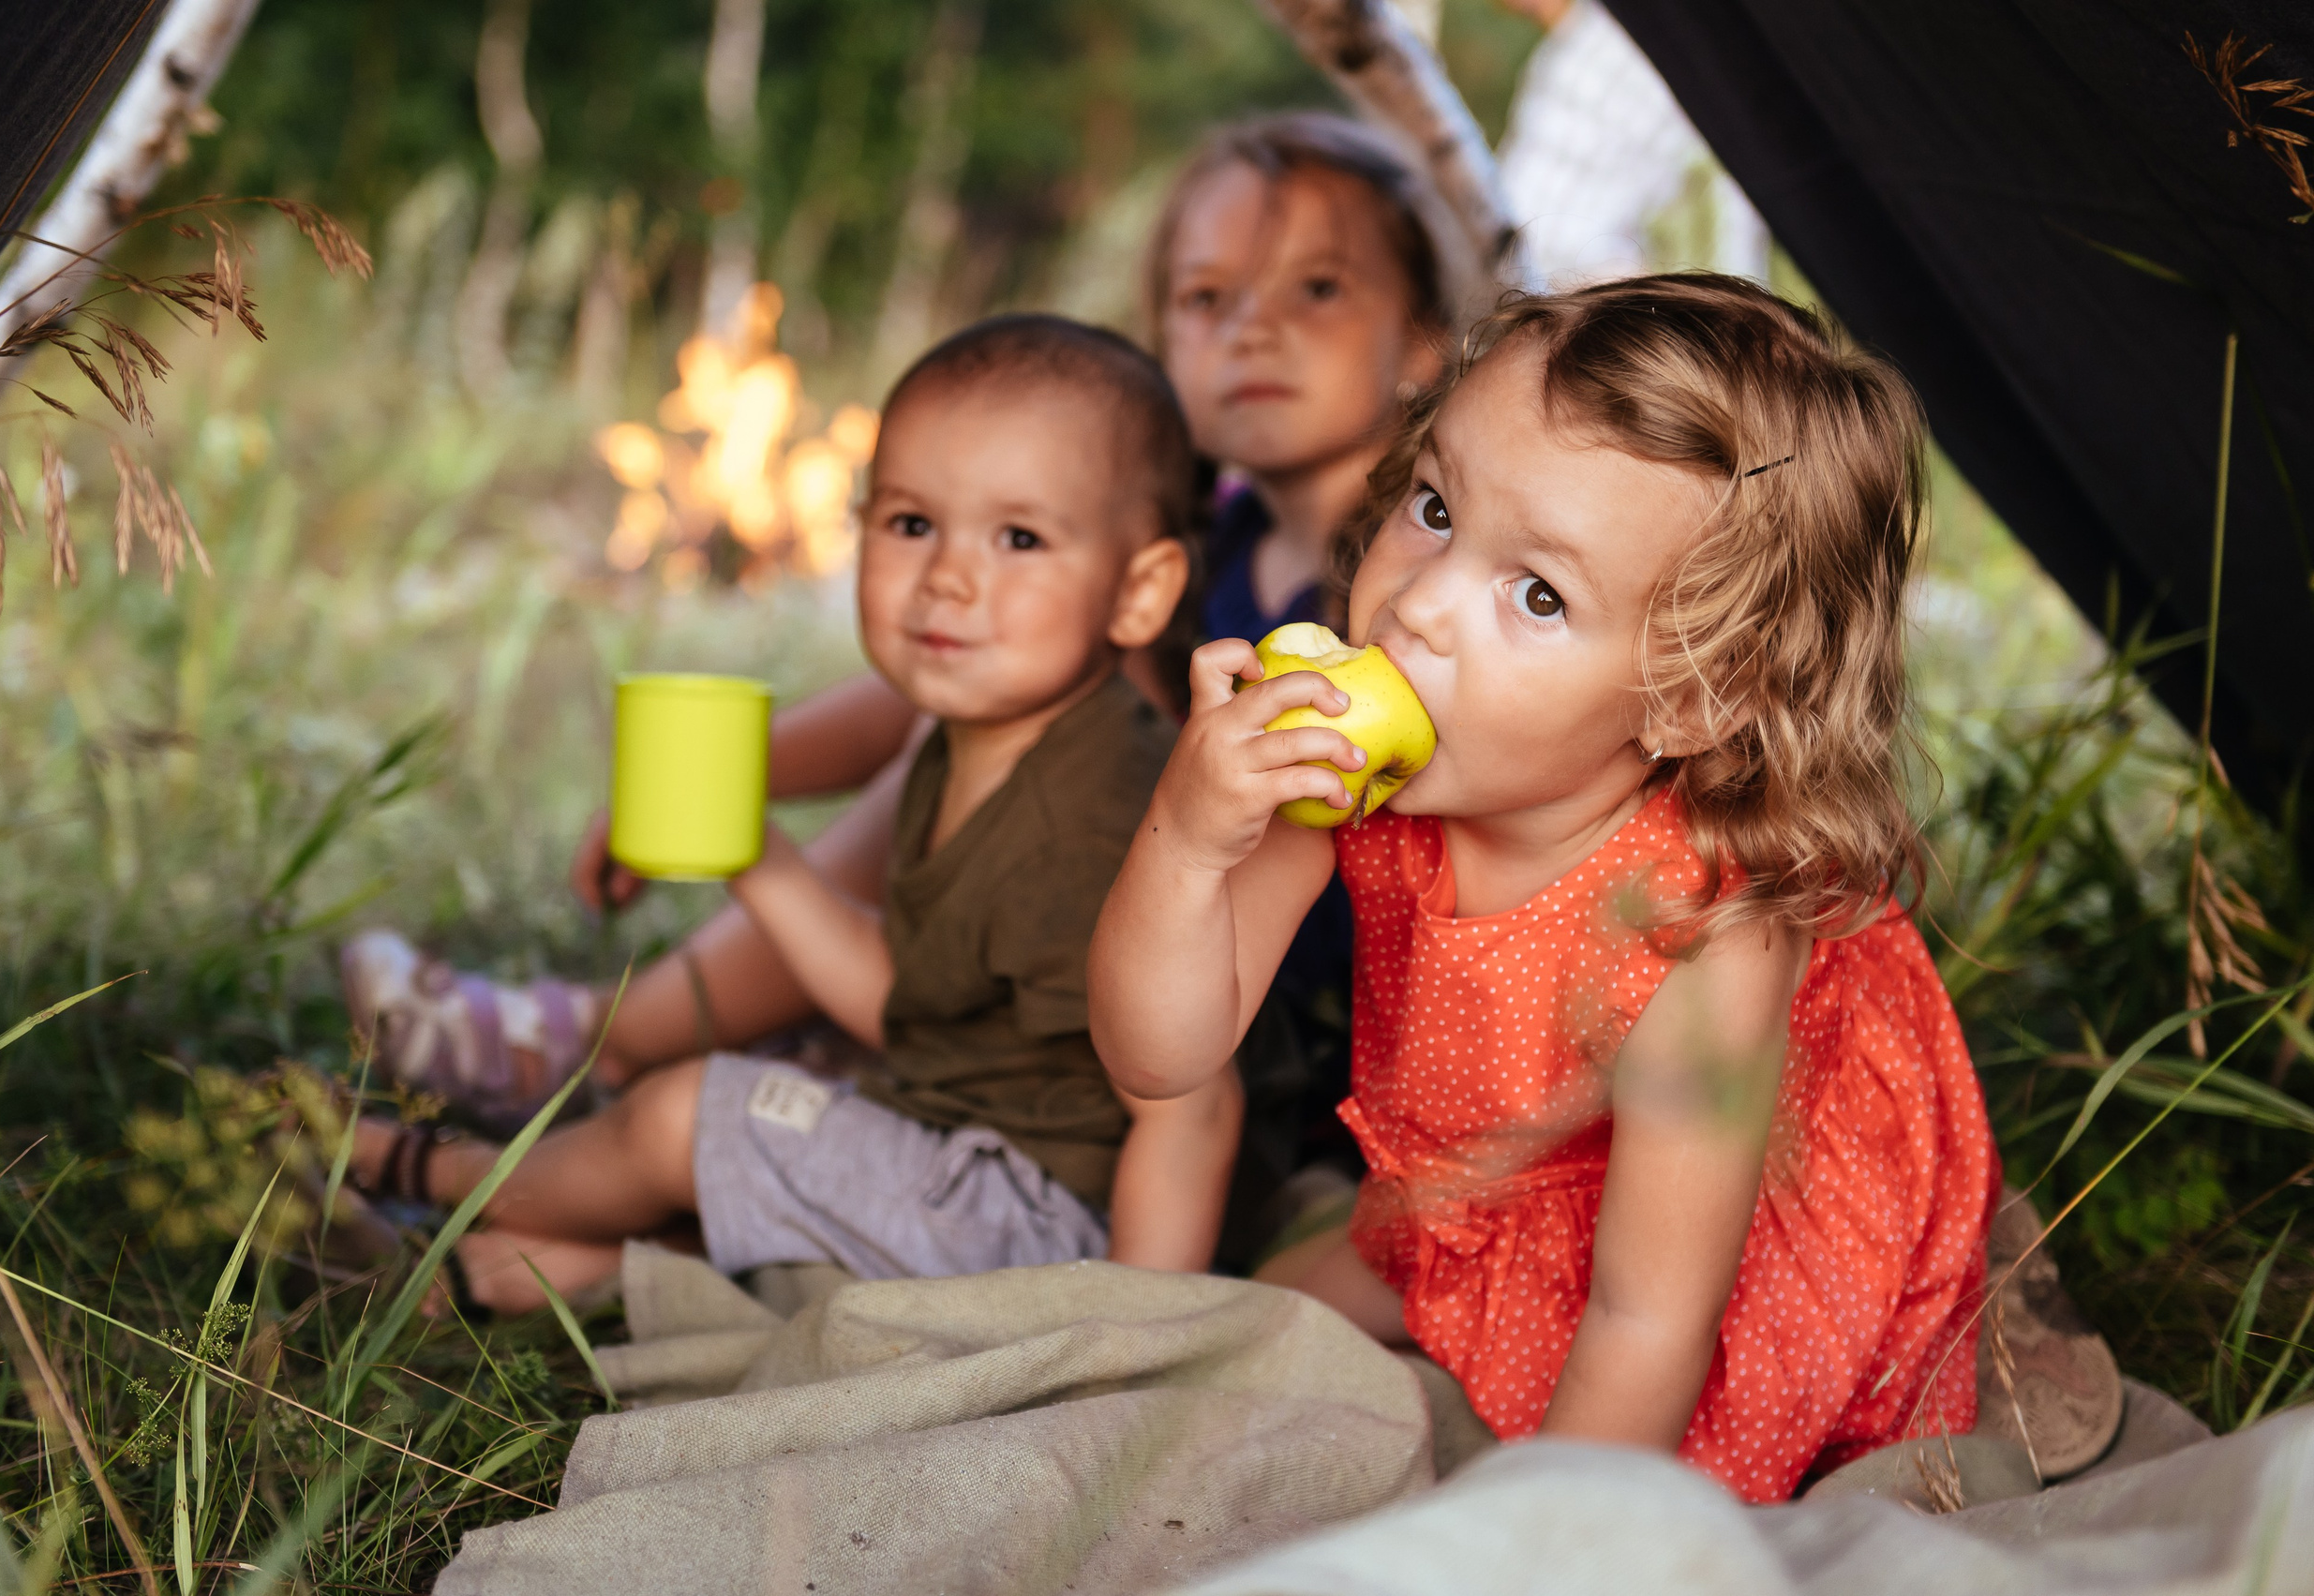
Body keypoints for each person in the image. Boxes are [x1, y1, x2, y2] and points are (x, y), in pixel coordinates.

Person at [342, 113, 1454, 1194]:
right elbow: (922, 695)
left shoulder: (1412, 592)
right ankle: (629, 1045)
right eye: (1207, 297)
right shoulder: (1209, 545)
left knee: (1003, 698)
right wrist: (712, 780)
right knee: (982, 685)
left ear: (1424, 332)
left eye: (1316, 288)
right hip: (1077, 956)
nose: (1251, 327)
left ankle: (607, 1039)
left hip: (1242, 1014)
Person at [1086, 275, 2000, 1502]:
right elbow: (1157, 1052)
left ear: (1692, 696)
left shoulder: (1708, 933)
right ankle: (1472, 1267)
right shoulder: (1361, 769)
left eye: (1538, 594)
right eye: (1433, 505)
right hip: (1483, 1178)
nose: (1417, 603)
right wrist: (1191, 839)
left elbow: (1646, 1318)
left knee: (1640, 1463)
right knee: (1241, 1333)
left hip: (1697, 1233)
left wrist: (1529, 1542)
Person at [343, 315, 1240, 1314]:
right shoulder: (979, 736)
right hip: (947, 1134)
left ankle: (421, 1170)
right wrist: (759, 859)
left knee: (690, 1115)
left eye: (1019, 537)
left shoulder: (1090, 824)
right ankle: (516, 1266)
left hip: (1048, 1218)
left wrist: (1131, 1332)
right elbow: (910, 999)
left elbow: (1193, 1105)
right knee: (759, 1124)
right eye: (910, 523)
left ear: (1140, 590)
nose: (949, 574)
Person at [1494, 0, 1768, 292]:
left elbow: (1532, 245)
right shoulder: (1673, 35)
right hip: (1720, 298)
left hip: (1658, 308)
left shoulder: (1587, 64)